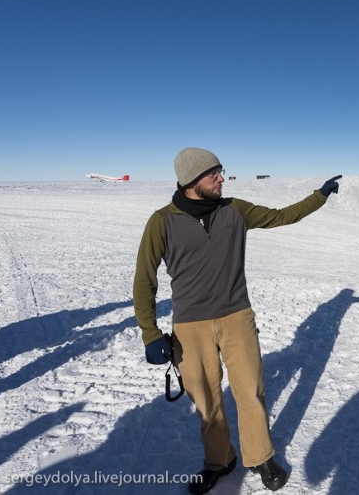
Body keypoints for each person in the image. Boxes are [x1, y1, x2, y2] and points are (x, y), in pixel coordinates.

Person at [132, 147, 341, 494]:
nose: (221, 178)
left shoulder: (235, 211)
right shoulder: (161, 222)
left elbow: (282, 215)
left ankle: (261, 457)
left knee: (250, 392)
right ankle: (219, 460)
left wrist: (318, 197)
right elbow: (144, 280)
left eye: (221, 171)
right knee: (206, 400)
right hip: (190, 326)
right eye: (213, 174)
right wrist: (150, 333)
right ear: (191, 181)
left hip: (236, 317)